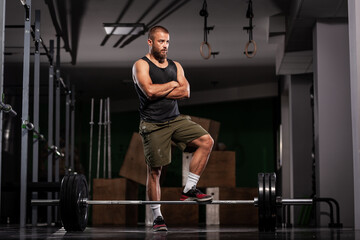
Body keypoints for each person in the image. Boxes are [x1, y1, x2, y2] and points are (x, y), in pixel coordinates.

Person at [132, 26, 214, 232]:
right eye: (161, 42)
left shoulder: (176, 65)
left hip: (175, 119)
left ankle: (189, 188)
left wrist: (163, 88)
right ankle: (157, 217)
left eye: (167, 41)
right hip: (152, 124)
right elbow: (149, 91)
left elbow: (186, 91)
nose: (165, 46)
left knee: (206, 141)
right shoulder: (140, 65)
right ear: (150, 42)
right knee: (155, 171)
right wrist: (171, 84)